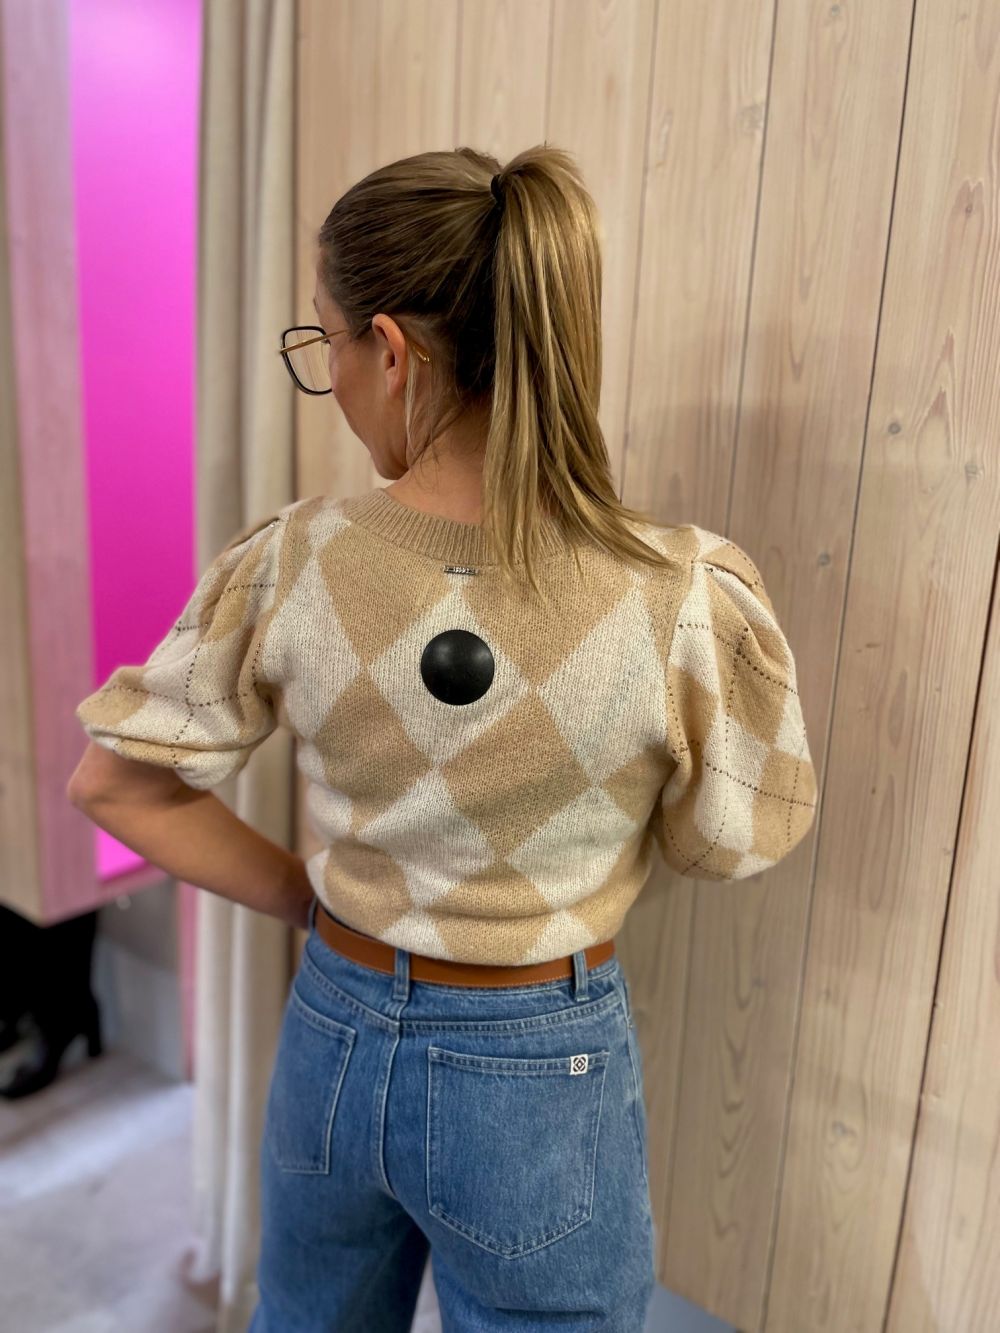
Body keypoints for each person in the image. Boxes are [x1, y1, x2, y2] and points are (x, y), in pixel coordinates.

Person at [73, 144, 818, 1331]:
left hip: (332, 1026)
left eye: (325, 344)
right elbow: (729, 839)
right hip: (539, 1070)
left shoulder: (292, 562)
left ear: (392, 350)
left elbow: (115, 784)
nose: (331, 378)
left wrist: (311, 898)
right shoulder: (676, 594)